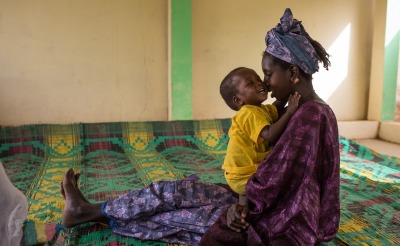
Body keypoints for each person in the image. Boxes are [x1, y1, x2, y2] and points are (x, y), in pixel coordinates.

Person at [199, 8, 340, 246]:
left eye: (267, 74)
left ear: (293, 73)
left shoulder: (309, 115)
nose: (264, 82)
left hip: (282, 212)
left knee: (179, 201)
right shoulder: (302, 109)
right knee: (181, 193)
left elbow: (275, 181)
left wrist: (241, 206)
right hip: (261, 195)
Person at [219, 67, 300, 211]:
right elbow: (270, 134)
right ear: (239, 100)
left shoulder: (259, 109)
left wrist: (288, 89)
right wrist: (290, 112)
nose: (259, 83)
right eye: (250, 84)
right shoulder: (247, 113)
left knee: (249, 193)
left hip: (244, 171)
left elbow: (276, 107)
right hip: (242, 175)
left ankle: (244, 201)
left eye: (258, 78)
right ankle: (246, 201)